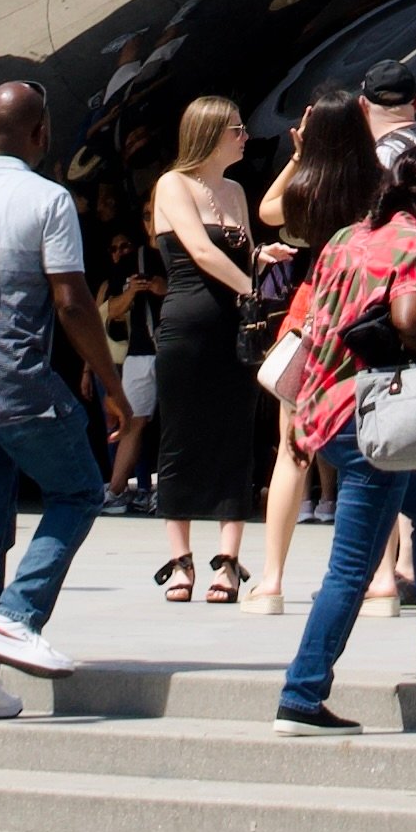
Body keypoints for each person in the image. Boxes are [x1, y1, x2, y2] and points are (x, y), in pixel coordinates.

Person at [276, 131, 416, 732]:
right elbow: (411, 318)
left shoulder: (345, 238)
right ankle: (301, 693)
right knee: (351, 567)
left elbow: (321, 323)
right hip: (370, 423)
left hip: (327, 409)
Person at [0, 75, 128, 720]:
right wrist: (112, 385)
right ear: (42, 135)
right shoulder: (47, 199)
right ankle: (16, 614)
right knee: (80, 490)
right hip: (16, 379)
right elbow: (70, 300)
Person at [142, 100, 270, 598]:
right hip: (189, 323)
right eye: (237, 130)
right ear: (212, 135)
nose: (245, 138)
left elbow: (242, 249)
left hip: (233, 324)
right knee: (181, 434)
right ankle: (179, 560)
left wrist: (261, 258)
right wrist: (250, 287)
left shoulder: (235, 191)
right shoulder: (173, 183)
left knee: (236, 434)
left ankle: (228, 560)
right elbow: (198, 250)